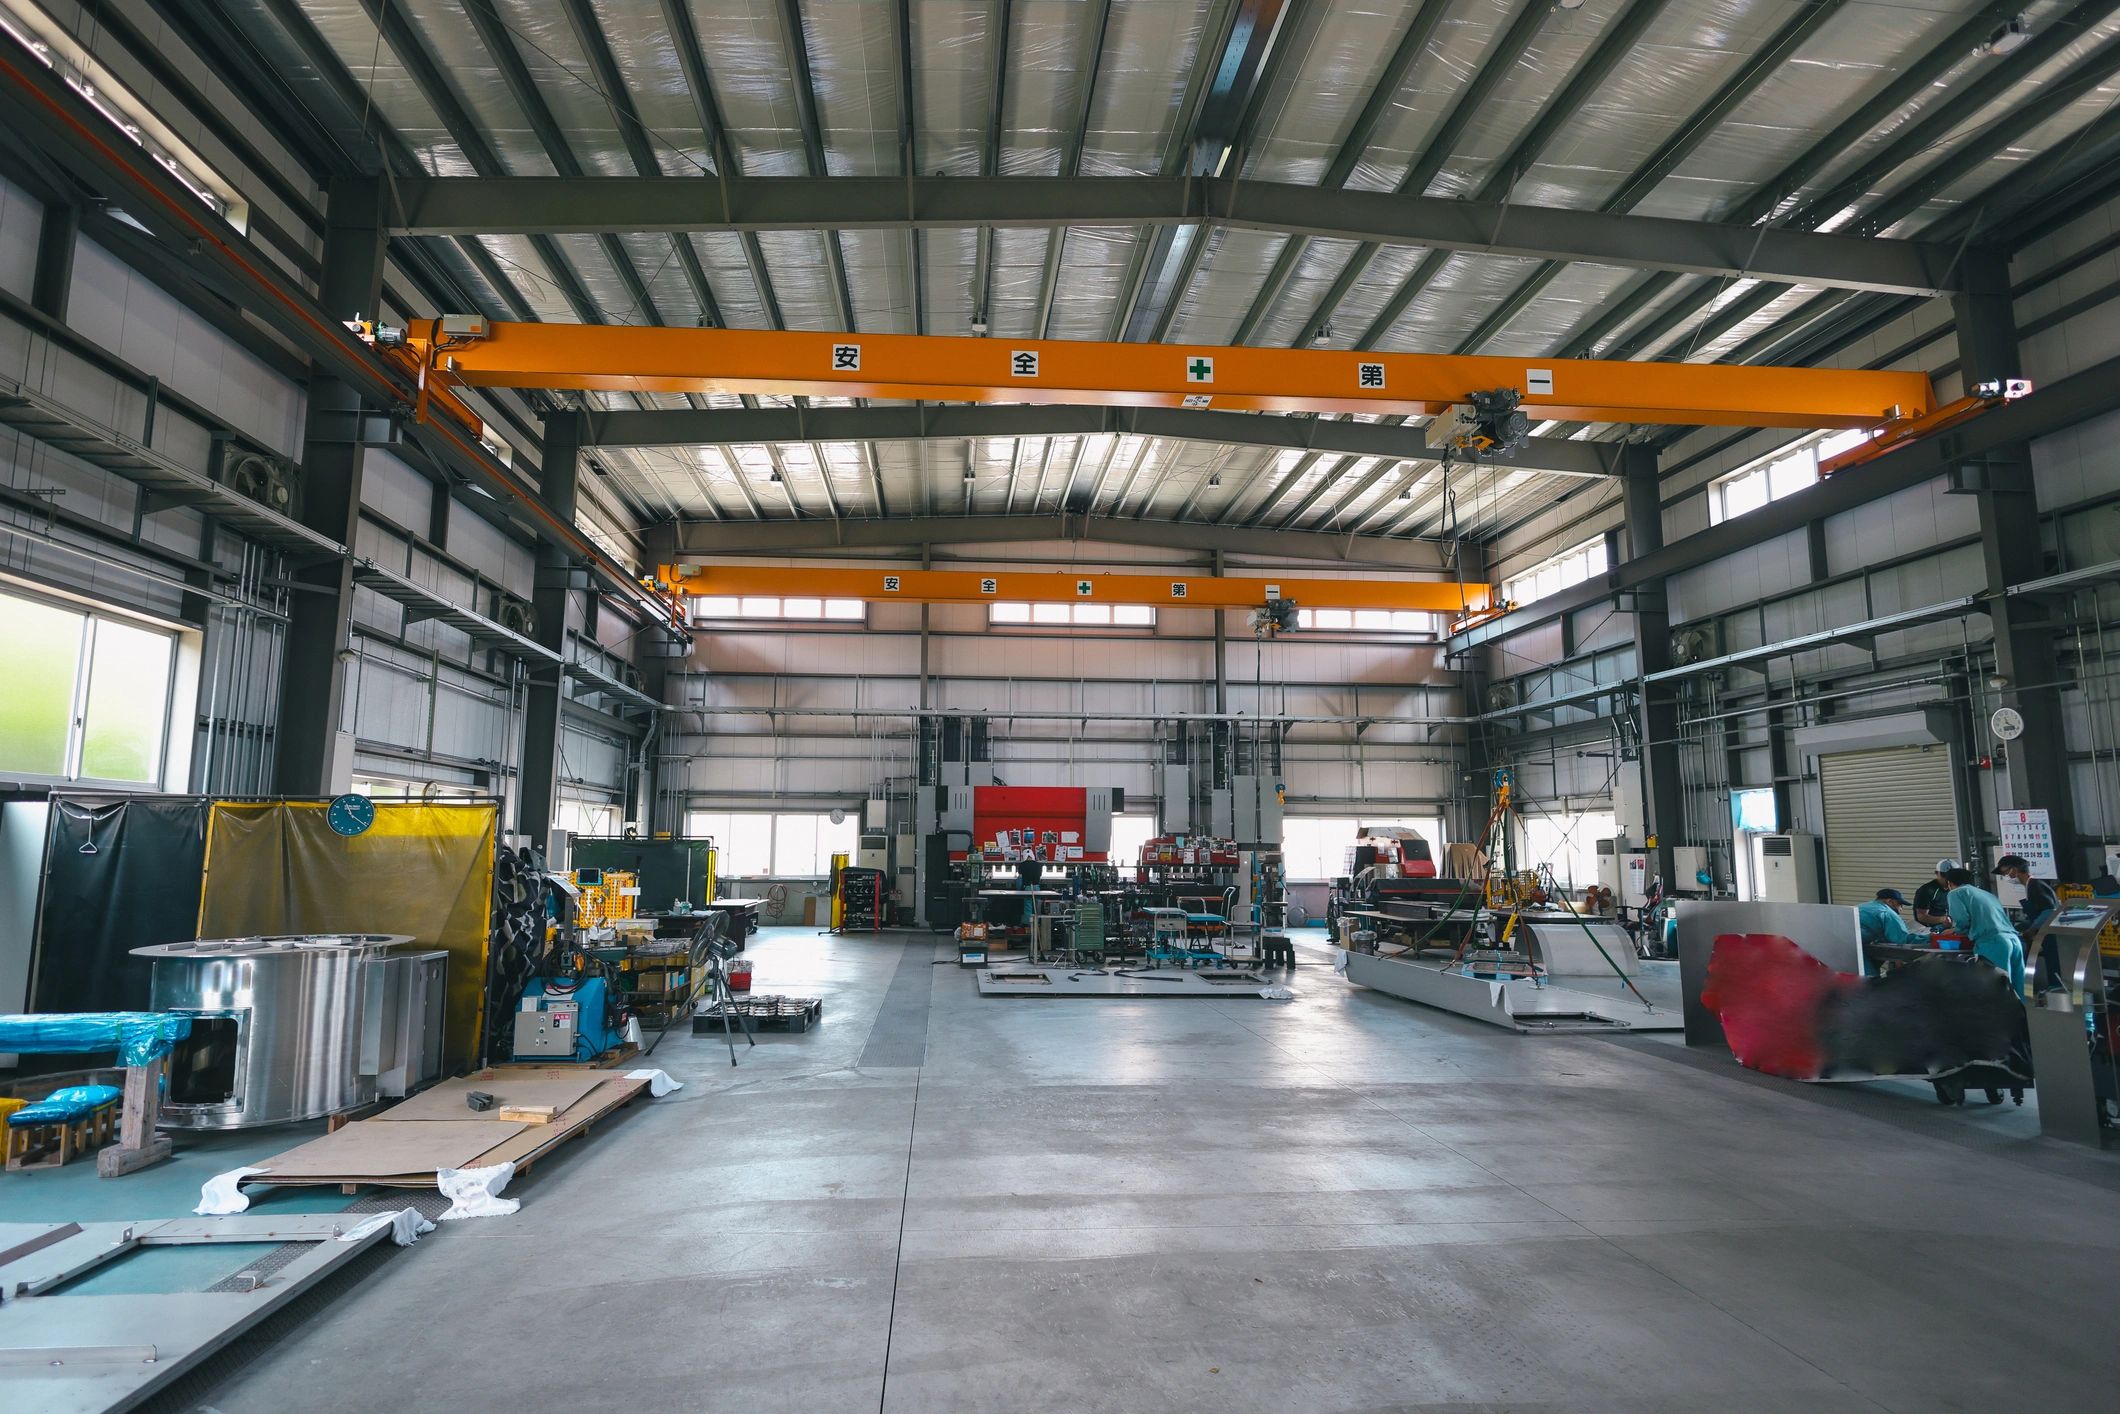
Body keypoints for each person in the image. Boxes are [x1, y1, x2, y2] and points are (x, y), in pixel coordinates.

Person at [1943, 867, 2025, 994]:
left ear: (1949, 883)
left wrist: (1954, 930)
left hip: (1993, 943)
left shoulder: (1955, 893)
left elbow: (1962, 921)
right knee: (2017, 989)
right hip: (2014, 941)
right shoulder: (1987, 894)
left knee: (1996, 988)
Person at [1994, 854, 2060, 988]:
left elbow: (2049, 911)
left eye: (2006, 872)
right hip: (2044, 931)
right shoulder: (2030, 885)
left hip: (2048, 931)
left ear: (2015, 869)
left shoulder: (2035, 884)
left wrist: (2032, 929)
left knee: (2053, 962)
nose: (2007, 876)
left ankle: (2056, 989)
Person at [1857, 888, 1924, 946]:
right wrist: (1927, 938)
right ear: (1890, 901)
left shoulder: (1861, 906)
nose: (1901, 909)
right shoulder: (1887, 913)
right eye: (1900, 905)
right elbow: (1902, 939)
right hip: (1858, 948)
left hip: (1853, 944)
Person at [1912, 859, 1956, 929]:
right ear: (1937, 873)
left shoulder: (1956, 888)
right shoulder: (1927, 890)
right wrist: (1943, 919)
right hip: (1930, 929)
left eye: (1953, 876)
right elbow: (1921, 916)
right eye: (1945, 875)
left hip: (1949, 926)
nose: (1948, 879)